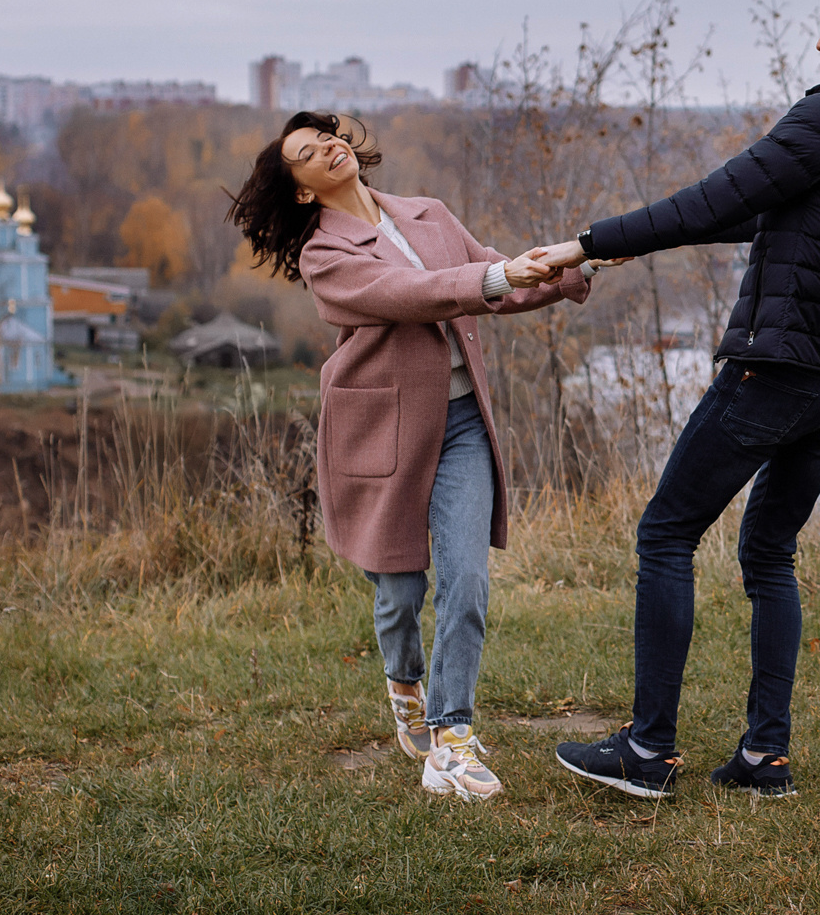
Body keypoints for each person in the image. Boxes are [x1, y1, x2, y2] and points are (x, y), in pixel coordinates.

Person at [538, 0, 820, 799]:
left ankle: (647, 752)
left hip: (776, 370)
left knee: (667, 532)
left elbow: (720, 192)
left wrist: (585, 242)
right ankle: (765, 758)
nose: (818, 39)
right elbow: (763, 210)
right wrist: (631, 245)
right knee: (767, 550)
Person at [228, 111, 611, 802]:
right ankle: (403, 681)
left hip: (462, 423)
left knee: (466, 578)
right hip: (380, 432)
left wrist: (572, 264)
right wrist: (492, 274)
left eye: (331, 137)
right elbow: (409, 295)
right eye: (310, 153)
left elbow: (503, 278)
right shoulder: (325, 255)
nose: (331, 148)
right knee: (399, 592)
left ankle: (451, 737)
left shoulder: (428, 213)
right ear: (305, 190)